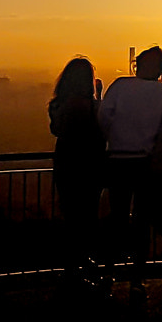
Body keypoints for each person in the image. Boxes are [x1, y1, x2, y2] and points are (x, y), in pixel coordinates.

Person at [97, 47, 162, 286]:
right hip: (149, 165)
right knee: (144, 220)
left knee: (117, 218)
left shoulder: (118, 86)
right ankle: (139, 276)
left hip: (117, 161)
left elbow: (103, 118)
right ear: (161, 69)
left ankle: (108, 271)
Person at [47, 57, 107, 284]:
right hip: (91, 164)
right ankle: (84, 262)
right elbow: (103, 129)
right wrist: (98, 97)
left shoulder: (58, 105)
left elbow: (56, 130)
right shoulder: (91, 107)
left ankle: (72, 266)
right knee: (88, 216)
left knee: (70, 215)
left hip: (66, 162)